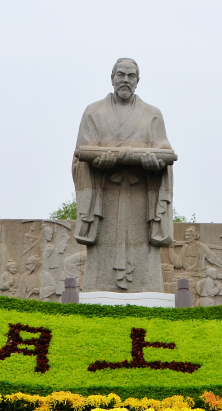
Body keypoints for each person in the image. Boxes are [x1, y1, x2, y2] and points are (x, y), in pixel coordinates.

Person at [72, 58, 175, 292]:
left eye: (131, 76)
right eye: (121, 75)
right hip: (104, 199)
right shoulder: (94, 112)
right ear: (112, 78)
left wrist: (154, 164)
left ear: (138, 81)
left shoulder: (152, 114)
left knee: (145, 262)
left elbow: (165, 153)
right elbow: (81, 154)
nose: (125, 80)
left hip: (142, 200)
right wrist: (99, 162)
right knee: (101, 259)